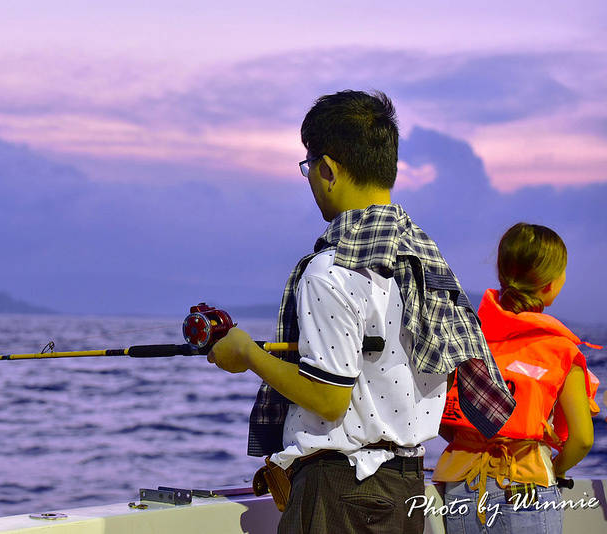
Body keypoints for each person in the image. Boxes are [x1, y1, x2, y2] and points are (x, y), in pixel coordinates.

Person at [207, 90, 515, 534]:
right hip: (405, 488)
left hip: (339, 492)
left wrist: (247, 354)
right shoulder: (423, 262)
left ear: (328, 169)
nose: (310, 180)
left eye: (308, 167)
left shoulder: (330, 271)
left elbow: (328, 398)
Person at [434, 223, 601, 533]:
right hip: (526, 487)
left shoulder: (467, 339)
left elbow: (443, 419)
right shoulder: (561, 350)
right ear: (551, 284)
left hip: (461, 487)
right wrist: (555, 468)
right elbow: (582, 439)